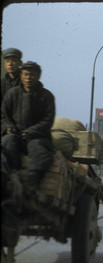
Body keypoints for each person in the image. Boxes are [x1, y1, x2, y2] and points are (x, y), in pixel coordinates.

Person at [1, 61, 56, 194]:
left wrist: (30, 132)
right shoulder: (12, 94)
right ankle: (11, 175)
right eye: (25, 74)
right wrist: (8, 127)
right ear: (21, 76)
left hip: (38, 137)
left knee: (37, 147)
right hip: (16, 136)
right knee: (8, 141)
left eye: (32, 75)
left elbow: (47, 120)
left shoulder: (46, 96)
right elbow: (3, 115)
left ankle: (33, 181)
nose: (28, 78)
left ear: (38, 76)